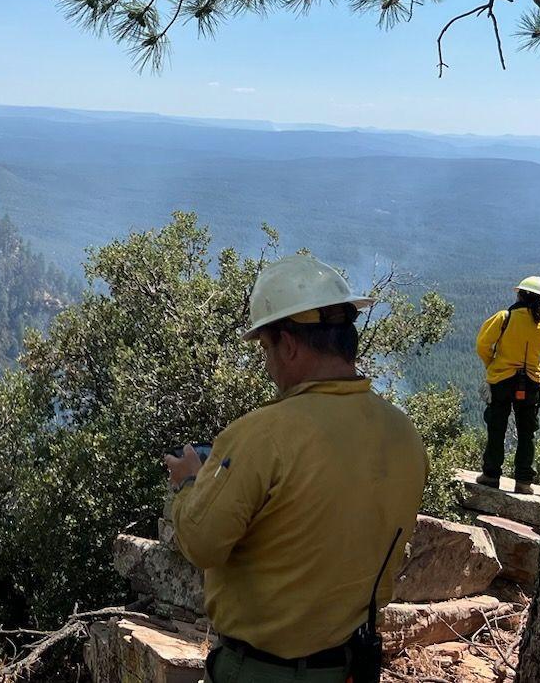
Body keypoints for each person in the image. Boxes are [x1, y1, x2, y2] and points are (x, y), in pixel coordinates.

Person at [163, 254, 427, 683]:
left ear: (288, 344)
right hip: (348, 667)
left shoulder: (264, 435)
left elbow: (202, 541)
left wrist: (191, 481)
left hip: (263, 671)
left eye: (266, 348)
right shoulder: (405, 434)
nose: (268, 364)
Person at [475, 276, 540, 494]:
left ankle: (491, 475)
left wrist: (492, 363)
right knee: (527, 431)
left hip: (502, 379)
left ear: (520, 294)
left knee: (496, 426)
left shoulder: (505, 317)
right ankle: (523, 481)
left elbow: (482, 344)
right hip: (531, 382)